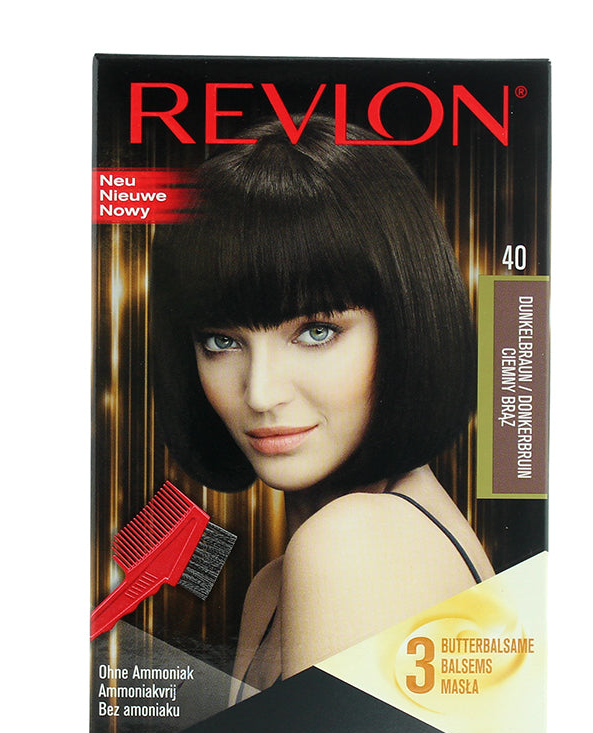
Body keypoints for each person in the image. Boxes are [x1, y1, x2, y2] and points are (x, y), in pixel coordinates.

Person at [150, 116, 493, 698]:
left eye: (315, 332)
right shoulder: (272, 587)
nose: (260, 394)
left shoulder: (355, 543)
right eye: (222, 341)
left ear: (405, 325)